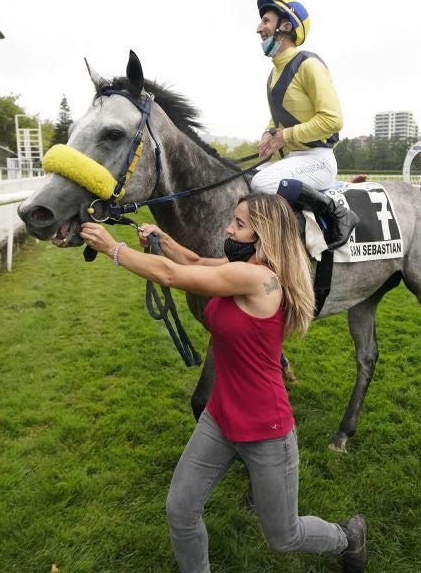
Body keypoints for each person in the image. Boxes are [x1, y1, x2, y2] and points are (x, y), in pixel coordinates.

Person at [79, 192, 368, 573]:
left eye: (239, 224)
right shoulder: (246, 265)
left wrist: (112, 248)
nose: (229, 229)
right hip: (219, 418)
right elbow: (195, 263)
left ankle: (347, 539)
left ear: (262, 235)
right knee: (180, 510)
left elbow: (172, 274)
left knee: (285, 536)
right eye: (233, 220)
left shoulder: (256, 277)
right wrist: (162, 238)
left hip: (265, 430)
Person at [252, 0, 357, 250]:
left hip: (318, 161)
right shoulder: (274, 74)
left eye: (266, 21)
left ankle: (337, 213)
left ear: (286, 26)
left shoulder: (308, 64)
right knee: (244, 181)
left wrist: (283, 137)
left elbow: (333, 119)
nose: (258, 28)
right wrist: (269, 131)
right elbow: (284, 113)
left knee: (260, 182)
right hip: (295, 161)